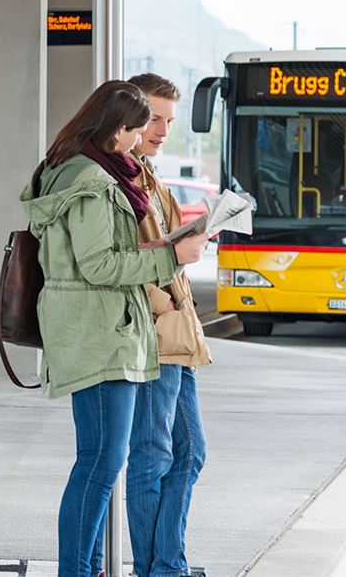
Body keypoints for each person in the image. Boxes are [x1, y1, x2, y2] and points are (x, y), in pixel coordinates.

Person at [21, 80, 209, 577]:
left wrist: (169, 250)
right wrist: (170, 256)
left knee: (102, 463)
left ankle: (86, 569)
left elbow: (103, 255)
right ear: (116, 128)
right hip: (99, 330)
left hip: (102, 328)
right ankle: (79, 571)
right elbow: (99, 266)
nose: (145, 136)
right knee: (101, 464)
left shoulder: (94, 171)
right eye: (139, 127)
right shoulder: (93, 181)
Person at [124, 74, 212, 577]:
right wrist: (162, 301)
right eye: (154, 118)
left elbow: (165, 249)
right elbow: (124, 260)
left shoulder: (150, 175)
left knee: (189, 452)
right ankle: (157, 568)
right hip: (157, 330)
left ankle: (164, 564)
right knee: (153, 454)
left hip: (177, 327)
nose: (161, 130)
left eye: (168, 121)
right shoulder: (122, 178)